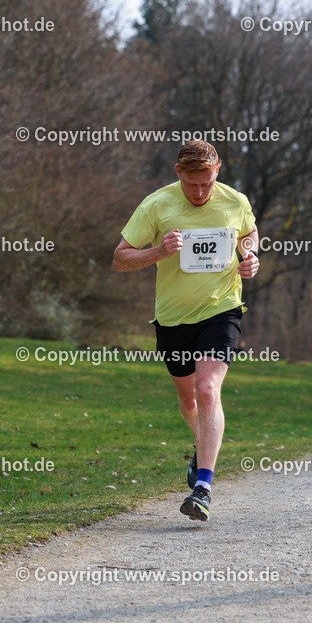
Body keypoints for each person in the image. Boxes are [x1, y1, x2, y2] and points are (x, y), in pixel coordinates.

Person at [113, 140, 259, 521]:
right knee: (190, 400)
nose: (199, 192)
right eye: (192, 184)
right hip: (173, 318)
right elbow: (120, 258)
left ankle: (203, 487)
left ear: (218, 172)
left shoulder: (235, 200)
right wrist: (157, 252)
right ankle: (201, 448)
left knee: (208, 389)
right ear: (179, 173)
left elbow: (249, 234)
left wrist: (250, 256)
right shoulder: (157, 204)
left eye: (206, 184)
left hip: (221, 309)